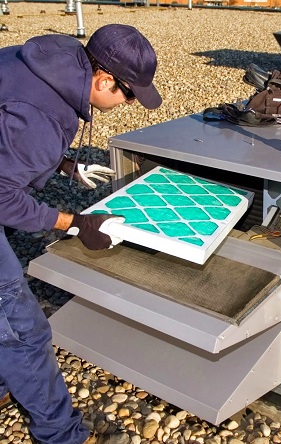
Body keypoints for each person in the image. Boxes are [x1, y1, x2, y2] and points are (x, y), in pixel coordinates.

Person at [0, 23, 162, 444]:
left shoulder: (39, 60)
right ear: (105, 78)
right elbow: (2, 199)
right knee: (24, 331)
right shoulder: (37, 120)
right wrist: (74, 224)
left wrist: (62, 163)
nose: (128, 103)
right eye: (128, 94)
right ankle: (60, 435)